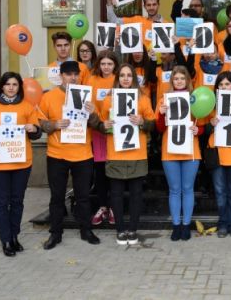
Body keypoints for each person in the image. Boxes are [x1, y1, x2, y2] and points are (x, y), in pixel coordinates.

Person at [38, 61, 103, 249]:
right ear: (61, 76)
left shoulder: (86, 96)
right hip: (57, 154)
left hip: (82, 154)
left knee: (83, 197)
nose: (73, 77)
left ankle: (86, 230)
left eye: (75, 74)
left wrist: (91, 113)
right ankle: (55, 234)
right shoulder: (49, 97)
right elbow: (41, 123)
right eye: (68, 74)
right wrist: (54, 125)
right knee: (57, 197)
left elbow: (97, 125)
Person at [0, 72, 42, 256]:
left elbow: (36, 132)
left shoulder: (27, 107)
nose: (11, 87)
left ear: (19, 87)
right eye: (7, 84)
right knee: (2, 202)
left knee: (17, 201)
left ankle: (15, 236)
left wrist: (34, 129)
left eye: (15, 84)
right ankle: (5, 239)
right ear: (1, 86)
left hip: (21, 162)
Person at [100, 64, 155, 245]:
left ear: (133, 78)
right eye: (122, 75)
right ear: (118, 78)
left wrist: (142, 121)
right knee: (115, 194)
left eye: (129, 75)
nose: (125, 78)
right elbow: (102, 123)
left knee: (136, 194)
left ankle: (132, 229)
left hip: (136, 153)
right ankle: (120, 229)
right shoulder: (109, 100)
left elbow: (152, 123)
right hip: (115, 152)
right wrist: (104, 125)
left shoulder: (143, 99)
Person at [155, 66, 203, 241]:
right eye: (176, 79)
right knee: (174, 189)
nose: (179, 81)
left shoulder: (195, 99)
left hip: (191, 149)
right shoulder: (164, 100)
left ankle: (186, 225)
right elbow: (159, 128)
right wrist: (161, 115)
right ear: (172, 81)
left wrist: (198, 129)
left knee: (188, 188)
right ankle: (176, 225)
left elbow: (202, 125)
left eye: (183, 78)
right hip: (170, 149)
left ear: (188, 80)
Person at [207, 71, 231, 238]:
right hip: (217, 153)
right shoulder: (211, 105)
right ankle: (223, 223)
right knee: (220, 191)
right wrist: (211, 123)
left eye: (227, 84)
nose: (224, 87)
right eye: (221, 84)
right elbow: (202, 129)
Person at [87, 51, 119, 227]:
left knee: (113, 171)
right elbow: (90, 105)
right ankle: (102, 206)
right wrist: (99, 122)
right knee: (100, 171)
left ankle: (114, 207)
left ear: (115, 65)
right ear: (99, 64)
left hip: (115, 132)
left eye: (110, 64)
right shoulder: (92, 80)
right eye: (103, 64)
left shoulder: (118, 80)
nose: (106, 67)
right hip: (98, 131)